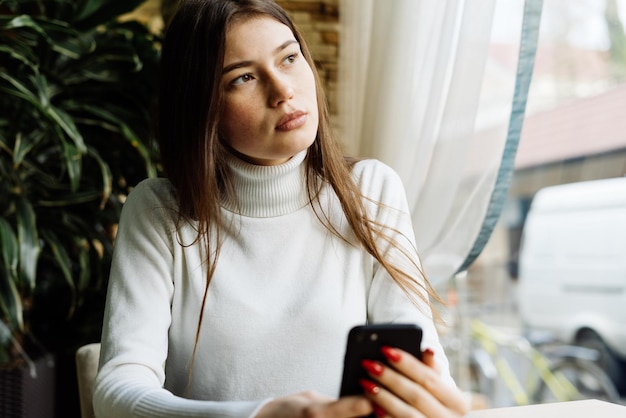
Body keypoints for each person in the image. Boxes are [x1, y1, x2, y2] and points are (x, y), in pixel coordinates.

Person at [93, 0, 471, 417]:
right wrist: (264, 415)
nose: (283, 90)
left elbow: (421, 358)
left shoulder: (371, 189)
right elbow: (116, 394)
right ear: (202, 106)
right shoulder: (160, 211)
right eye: (244, 78)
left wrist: (426, 396)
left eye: (289, 58)